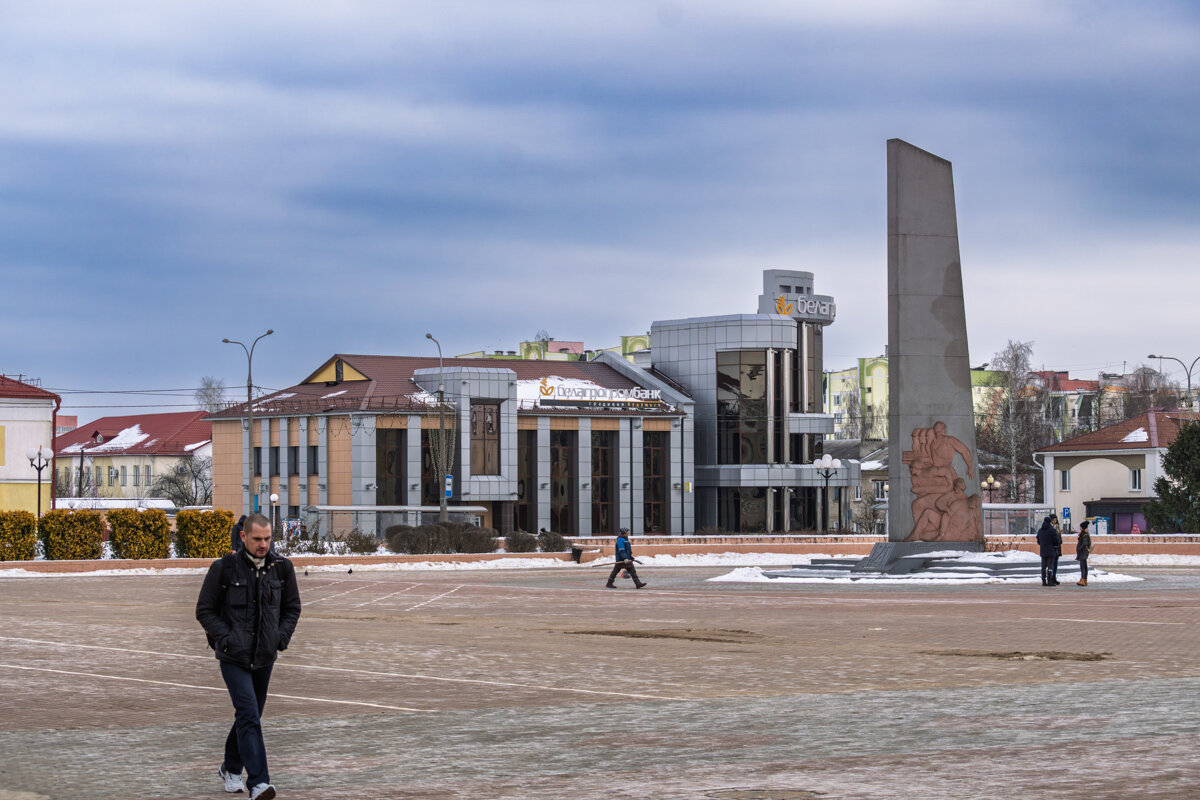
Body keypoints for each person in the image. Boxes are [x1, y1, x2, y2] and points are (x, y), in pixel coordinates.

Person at [197, 513, 301, 800]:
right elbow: (204, 610)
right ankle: (259, 783)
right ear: (243, 537)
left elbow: (292, 608)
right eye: (257, 539)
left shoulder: (282, 569)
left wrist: (280, 638)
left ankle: (231, 767)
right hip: (233, 657)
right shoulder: (224, 569)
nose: (263, 544)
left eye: (267, 539)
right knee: (247, 714)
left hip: (265, 656)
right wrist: (226, 638)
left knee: (250, 716)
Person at [1035, 514, 1062, 586]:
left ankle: (1043, 581)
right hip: (1051, 551)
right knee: (1050, 566)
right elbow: (1056, 540)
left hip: (1043, 551)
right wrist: (1055, 545)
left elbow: (1038, 540)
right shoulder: (1052, 530)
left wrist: (1042, 545)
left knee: (1043, 566)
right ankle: (1049, 581)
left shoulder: (1040, 530)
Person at [1076, 520, 1094, 586]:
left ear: (1082, 527)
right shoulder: (1083, 534)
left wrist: (1080, 548)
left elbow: (1084, 544)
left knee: (1083, 566)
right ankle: (1083, 579)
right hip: (1083, 552)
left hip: (1083, 552)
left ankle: (1083, 579)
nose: (1080, 528)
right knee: (1083, 566)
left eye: (1080, 527)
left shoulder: (1085, 535)